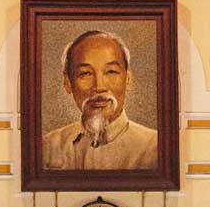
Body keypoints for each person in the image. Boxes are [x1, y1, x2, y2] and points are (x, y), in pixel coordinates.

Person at [41, 30, 158, 171]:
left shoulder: (154, 147)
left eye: (111, 72)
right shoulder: (49, 146)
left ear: (128, 80)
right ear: (67, 83)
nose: (99, 87)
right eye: (86, 73)